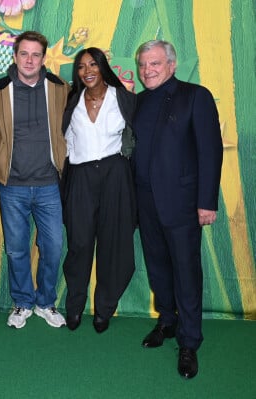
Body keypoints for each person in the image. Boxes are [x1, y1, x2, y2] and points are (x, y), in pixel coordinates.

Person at [133, 40, 223, 379]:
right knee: (158, 268)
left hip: (183, 204)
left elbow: (210, 152)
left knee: (186, 272)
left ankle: (189, 342)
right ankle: (167, 321)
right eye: (143, 64)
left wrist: (206, 202)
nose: (147, 70)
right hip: (145, 201)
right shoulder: (138, 101)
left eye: (154, 63)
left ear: (172, 64)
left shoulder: (195, 96)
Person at [0, 31, 70, 329]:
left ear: (44, 58)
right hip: (12, 185)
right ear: (15, 56)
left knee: (53, 246)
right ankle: (22, 302)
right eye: (24, 54)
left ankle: (46, 301)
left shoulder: (60, 89)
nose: (30, 60)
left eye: (36, 55)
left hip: (49, 184)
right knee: (16, 248)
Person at [61, 47, 137, 333]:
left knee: (113, 244)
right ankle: (75, 307)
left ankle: (104, 309)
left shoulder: (126, 100)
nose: (87, 71)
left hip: (115, 174)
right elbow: (64, 143)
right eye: (81, 67)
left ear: (103, 67)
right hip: (80, 176)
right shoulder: (71, 101)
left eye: (93, 64)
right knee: (79, 244)